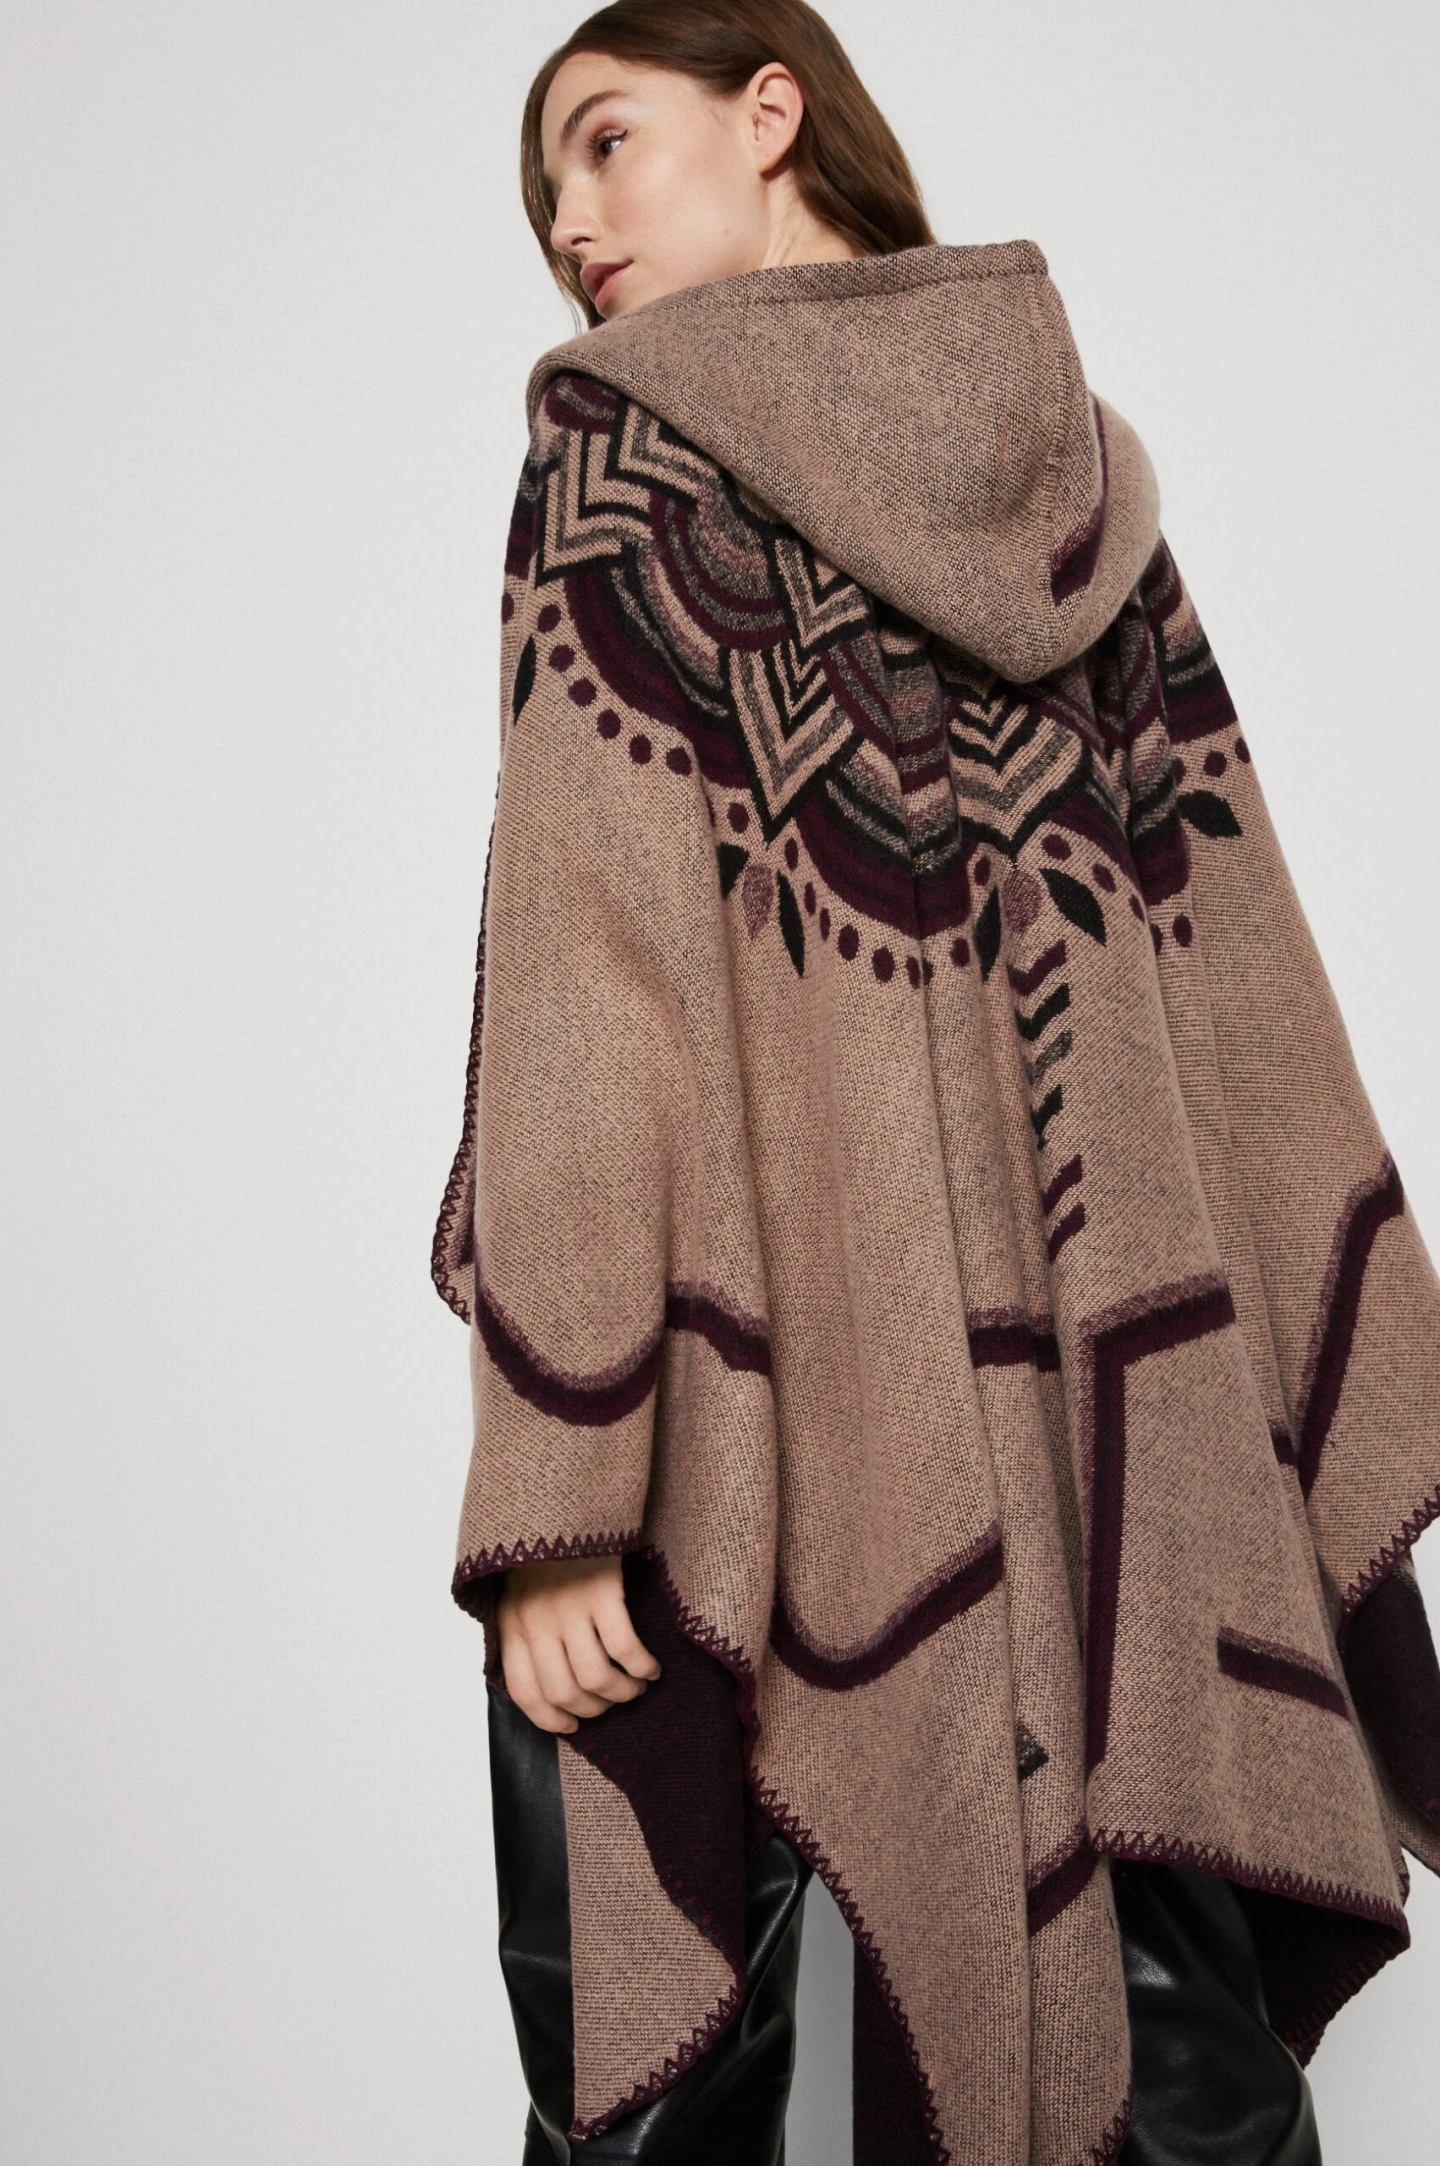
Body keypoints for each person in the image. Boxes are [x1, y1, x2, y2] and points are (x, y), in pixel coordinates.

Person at [431, 5, 1440, 2162]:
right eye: (543, 198)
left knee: (665, 2056)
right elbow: (1233, 965)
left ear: (769, 109)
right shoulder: (1070, 480)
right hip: (1113, 1426)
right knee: (1178, 2044)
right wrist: (1251, 1414)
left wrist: (563, 1485)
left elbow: (592, 993)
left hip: (754, 1411)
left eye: (603, 142)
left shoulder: (618, 455)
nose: (571, 224)